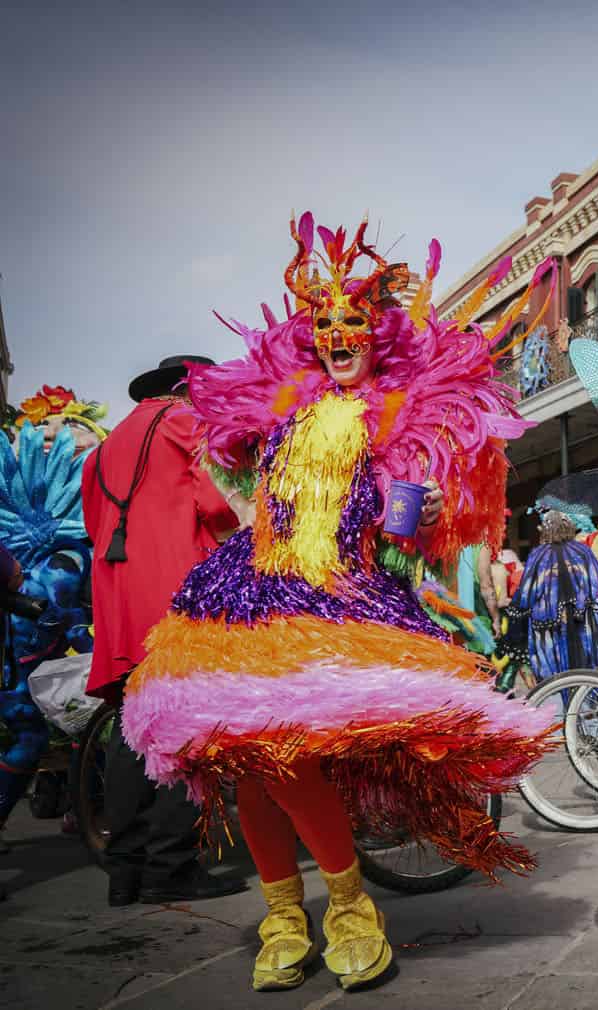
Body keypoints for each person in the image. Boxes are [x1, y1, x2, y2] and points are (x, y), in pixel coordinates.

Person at [118, 217, 551, 992]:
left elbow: (405, 534)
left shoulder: (395, 414)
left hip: (339, 597)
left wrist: (415, 514)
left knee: (285, 755)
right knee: (251, 763)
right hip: (250, 595)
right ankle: (285, 917)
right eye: (324, 324)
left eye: (353, 323)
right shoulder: (284, 406)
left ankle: (350, 908)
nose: (338, 335)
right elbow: (240, 488)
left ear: (377, 336)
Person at [81, 358, 248, 908]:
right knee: (182, 726)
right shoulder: (185, 423)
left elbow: (93, 525)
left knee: (133, 731)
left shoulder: (106, 446)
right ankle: (170, 867)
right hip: (173, 587)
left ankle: (124, 869)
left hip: (119, 596)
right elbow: (218, 504)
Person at [0, 389, 107, 854]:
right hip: (24, 656)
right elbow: (50, 602)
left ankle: (84, 807)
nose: (56, 444)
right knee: (34, 732)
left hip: (53, 647)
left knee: (84, 721)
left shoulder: (77, 537)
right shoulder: (55, 550)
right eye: (45, 438)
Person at [505, 508, 598, 682]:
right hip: (584, 622)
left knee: (555, 678)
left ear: (545, 530)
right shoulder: (584, 552)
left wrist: (516, 621)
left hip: (549, 627)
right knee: (587, 673)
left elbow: (526, 593)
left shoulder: (538, 556)